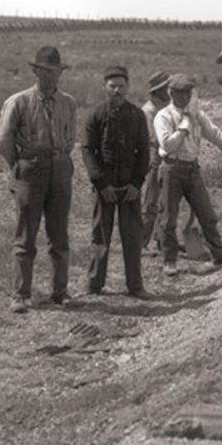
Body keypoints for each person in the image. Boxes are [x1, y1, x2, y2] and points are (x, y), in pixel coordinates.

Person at [0, 45, 77, 312]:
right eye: (46, 71)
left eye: (56, 71)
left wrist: (61, 161)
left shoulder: (68, 103)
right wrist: (18, 166)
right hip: (31, 168)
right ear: (35, 71)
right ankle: (21, 294)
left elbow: (70, 137)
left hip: (61, 169)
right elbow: (4, 139)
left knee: (59, 234)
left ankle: (60, 291)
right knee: (26, 235)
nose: (52, 76)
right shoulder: (18, 102)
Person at [154, 74, 222, 275]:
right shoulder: (163, 116)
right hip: (171, 168)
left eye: (188, 93)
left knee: (207, 214)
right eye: (180, 93)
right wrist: (183, 127)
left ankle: (219, 253)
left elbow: (214, 134)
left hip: (192, 168)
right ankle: (169, 261)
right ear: (171, 93)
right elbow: (167, 145)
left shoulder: (197, 114)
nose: (185, 97)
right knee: (168, 218)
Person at [81, 66, 151, 297]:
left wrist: (136, 184)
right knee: (100, 236)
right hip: (105, 188)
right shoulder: (95, 115)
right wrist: (101, 184)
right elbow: (88, 151)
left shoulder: (137, 115)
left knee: (132, 238)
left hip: (129, 188)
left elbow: (143, 152)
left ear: (128, 87)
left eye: (121, 86)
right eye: (112, 86)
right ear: (105, 88)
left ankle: (135, 286)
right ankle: (94, 285)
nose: (117, 91)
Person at [140, 70, 171, 251]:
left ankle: (161, 239)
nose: (168, 91)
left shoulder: (167, 107)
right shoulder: (149, 111)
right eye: (165, 88)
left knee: (166, 202)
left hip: (168, 156)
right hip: (155, 159)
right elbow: (154, 138)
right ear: (157, 91)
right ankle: (142, 243)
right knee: (150, 202)